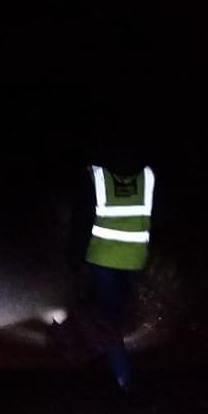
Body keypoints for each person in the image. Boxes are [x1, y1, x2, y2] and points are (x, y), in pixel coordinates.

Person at [66, 145, 155, 395]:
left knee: (107, 320)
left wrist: (74, 259)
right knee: (113, 314)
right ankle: (111, 366)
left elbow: (82, 220)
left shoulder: (95, 175)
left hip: (103, 256)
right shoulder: (147, 174)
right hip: (134, 256)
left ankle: (121, 378)